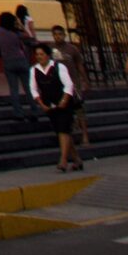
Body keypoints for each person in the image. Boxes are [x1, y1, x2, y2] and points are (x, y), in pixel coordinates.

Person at [31, 43, 81, 172]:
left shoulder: (59, 67)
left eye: (41, 54)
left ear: (48, 55)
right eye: (37, 54)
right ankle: (76, 159)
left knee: (63, 130)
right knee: (61, 131)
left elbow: (68, 85)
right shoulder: (34, 70)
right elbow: (34, 89)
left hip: (64, 103)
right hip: (49, 104)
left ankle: (63, 160)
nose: (39, 57)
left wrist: (64, 100)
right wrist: (41, 104)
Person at [47, 25, 89, 150]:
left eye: (60, 34)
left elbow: (79, 65)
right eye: (55, 34)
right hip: (58, 85)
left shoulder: (72, 49)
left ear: (64, 35)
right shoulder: (50, 49)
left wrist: (85, 80)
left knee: (79, 109)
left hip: (73, 84)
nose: (57, 37)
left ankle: (85, 135)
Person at [0, 11, 33, 121]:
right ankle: (34, 111)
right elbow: (28, 36)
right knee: (28, 88)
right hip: (21, 60)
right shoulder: (15, 32)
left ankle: (18, 113)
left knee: (14, 89)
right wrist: (20, 25)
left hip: (8, 62)